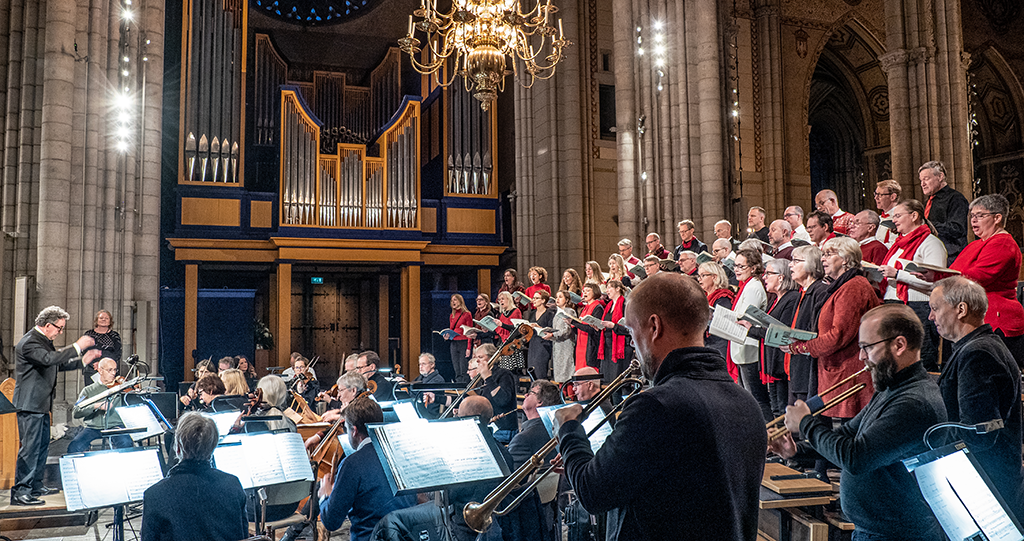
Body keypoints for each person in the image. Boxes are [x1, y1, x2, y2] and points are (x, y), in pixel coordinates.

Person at [554, 272, 766, 541]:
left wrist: (569, 431)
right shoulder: (746, 402)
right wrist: (588, 460)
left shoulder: (655, 406)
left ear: (654, 326)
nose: (633, 343)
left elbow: (592, 494)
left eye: (632, 331)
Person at [769, 303, 946, 540]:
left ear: (899, 345)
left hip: (898, 534)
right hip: (875, 531)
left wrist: (806, 424)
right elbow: (847, 436)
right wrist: (796, 451)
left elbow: (856, 457)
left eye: (867, 347)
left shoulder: (914, 402)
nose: (862, 356)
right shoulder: (892, 388)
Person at [929, 276, 1023, 511]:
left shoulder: (977, 354)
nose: (931, 317)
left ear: (961, 309)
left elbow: (976, 433)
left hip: (984, 485)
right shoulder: (980, 346)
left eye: (935, 308)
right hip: (989, 477)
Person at [12, 306, 101, 505]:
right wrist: (78, 345)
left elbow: (56, 364)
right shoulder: (29, 342)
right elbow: (49, 359)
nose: (60, 332)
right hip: (30, 404)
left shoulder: (43, 341)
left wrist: (82, 361)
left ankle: (35, 486)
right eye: (59, 328)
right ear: (47, 324)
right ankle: (20, 492)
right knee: (30, 448)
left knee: (42, 446)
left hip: (41, 404)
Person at [786, 237, 880, 421]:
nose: (823, 259)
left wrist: (800, 347)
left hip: (849, 372)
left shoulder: (853, 287)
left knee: (847, 434)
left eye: (829, 254)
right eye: (823, 254)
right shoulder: (843, 286)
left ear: (845, 259)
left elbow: (838, 336)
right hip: (838, 369)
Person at [318, 397, 416, 541]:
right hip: (407, 536)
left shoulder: (352, 464)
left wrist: (325, 496)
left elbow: (331, 522)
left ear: (354, 431)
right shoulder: (402, 453)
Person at [141, 412, 247, 541]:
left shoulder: (155, 494)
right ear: (213, 447)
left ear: (178, 448)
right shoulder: (233, 484)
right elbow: (243, 536)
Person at [949, 194, 1024, 367]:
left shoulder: (1002, 243)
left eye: (980, 215)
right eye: (972, 216)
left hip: (997, 316)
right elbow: (954, 271)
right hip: (976, 314)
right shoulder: (975, 244)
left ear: (997, 217)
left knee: (993, 372)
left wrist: (943, 276)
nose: (974, 220)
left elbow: (978, 277)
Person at [879, 199, 946, 371]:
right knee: (895, 358)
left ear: (914, 216)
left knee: (920, 358)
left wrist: (898, 274)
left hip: (918, 306)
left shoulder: (931, 243)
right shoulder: (899, 244)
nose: (894, 220)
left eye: (898, 216)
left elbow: (936, 282)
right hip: (894, 303)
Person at [744, 259, 801, 418]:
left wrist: (752, 330)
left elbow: (781, 332)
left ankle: (784, 442)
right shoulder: (775, 299)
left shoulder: (792, 298)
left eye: (768, 273)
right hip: (771, 360)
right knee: (776, 407)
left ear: (781, 277)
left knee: (782, 409)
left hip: (781, 361)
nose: (764, 277)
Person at [506, 380, 561, 541]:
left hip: (528, 512)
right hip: (549, 506)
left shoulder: (523, 439)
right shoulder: (553, 429)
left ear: (540, 402)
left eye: (531, 393)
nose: (525, 394)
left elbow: (511, 483)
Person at [730, 249, 771, 420]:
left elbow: (745, 317)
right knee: (748, 396)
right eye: (735, 265)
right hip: (742, 346)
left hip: (749, 348)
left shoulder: (753, 287)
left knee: (756, 398)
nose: (736, 269)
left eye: (741, 266)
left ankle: (770, 433)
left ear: (753, 268)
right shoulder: (747, 285)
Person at [788, 245, 829, 403]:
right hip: (798, 362)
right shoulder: (803, 291)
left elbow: (816, 331)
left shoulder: (820, 291)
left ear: (811, 265)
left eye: (796, 261)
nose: (790, 265)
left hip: (809, 365)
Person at [68, 357, 134, 453]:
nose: (113, 373)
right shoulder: (88, 390)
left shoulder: (120, 388)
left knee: (126, 443)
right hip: (93, 428)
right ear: (100, 370)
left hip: (115, 426)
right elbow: (76, 412)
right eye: (109, 370)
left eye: (115, 370)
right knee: (74, 446)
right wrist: (95, 406)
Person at [919, 160, 969, 264]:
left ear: (940, 177)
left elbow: (957, 229)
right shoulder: (927, 203)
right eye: (921, 180)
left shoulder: (955, 198)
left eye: (926, 179)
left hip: (950, 257)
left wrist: (928, 225)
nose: (922, 184)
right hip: (929, 253)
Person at [468, 344, 518, 444]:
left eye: (480, 357)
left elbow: (503, 400)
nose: (477, 361)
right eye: (476, 357)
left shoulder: (504, 374)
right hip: (489, 426)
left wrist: (488, 378)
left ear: (492, 357)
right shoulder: (483, 378)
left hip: (503, 429)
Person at [698, 261, 734, 361]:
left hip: (719, 346)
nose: (699, 279)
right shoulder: (705, 296)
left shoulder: (723, 297)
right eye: (699, 276)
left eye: (703, 275)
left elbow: (724, 324)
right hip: (707, 343)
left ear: (714, 277)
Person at [569, 283, 605, 371]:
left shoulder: (598, 307)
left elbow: (593, 329)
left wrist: (575, 323)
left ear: (595, 292)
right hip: (580, 345)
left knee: (588, 373)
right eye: (584, 291)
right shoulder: (584, 308)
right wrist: (572, 325)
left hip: (590, 345)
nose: (585, 293)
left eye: (588, 291)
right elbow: (580, 327)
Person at [543, 290, 577, 382]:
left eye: (560, 297)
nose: (557, 299)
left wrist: (553, 334)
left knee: (567, 375)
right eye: (556, 297)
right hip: (557, 347)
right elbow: (557, 329)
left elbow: (567, 330)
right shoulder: (556, 313)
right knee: (560, 377)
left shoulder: (569, 311)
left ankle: (569, 395)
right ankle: (563, 395)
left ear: (566, 300)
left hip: (566, 346)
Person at [82, 309, 121, 385]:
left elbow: (117, 353)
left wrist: (102, 364)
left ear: (110, 321)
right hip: (91, 369)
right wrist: (95, 364)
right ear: (97, 320)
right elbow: (84, 351)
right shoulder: (88, 334)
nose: (104, 320)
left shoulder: (115, 336)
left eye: (106, 318)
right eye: (101, 318)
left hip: (109, 370)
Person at [527, 289, 555, 379]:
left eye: (537, 298)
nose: (534, 300)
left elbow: (552, 329)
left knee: (540, 371)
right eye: (533, 298)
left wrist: (539, 327)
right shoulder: (532, 313)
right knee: (532, 371)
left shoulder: (549, 313)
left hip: (543, 344)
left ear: (543, 300)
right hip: (533, 343)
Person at [448, 293, 473, 379]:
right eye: (452, 300)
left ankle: (464, 388)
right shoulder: (452, 315)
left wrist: (468, 348)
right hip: (454, 343)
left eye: (455, 300)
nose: (453, 302)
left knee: (463, 367)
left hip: (463, 342)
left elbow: (470, 331)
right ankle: (458, 387)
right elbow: (451, 329)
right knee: (456, 368)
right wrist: (447, 335)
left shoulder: (467, 314)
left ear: (460, 301)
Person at [412, 353, 444, 417]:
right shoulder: (420, 378)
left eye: (423, 364)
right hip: (418, 411)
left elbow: (421, 393)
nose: (421, 367)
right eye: (420, 364)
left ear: (432, 364)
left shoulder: (438, 380)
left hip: (429, 414)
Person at [873, 179, 902, 246]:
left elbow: (895, 244)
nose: (876, 198)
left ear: (892, 197)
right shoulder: (879, 218)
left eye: (880, 195)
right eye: (875, 194)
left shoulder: (900, 218)